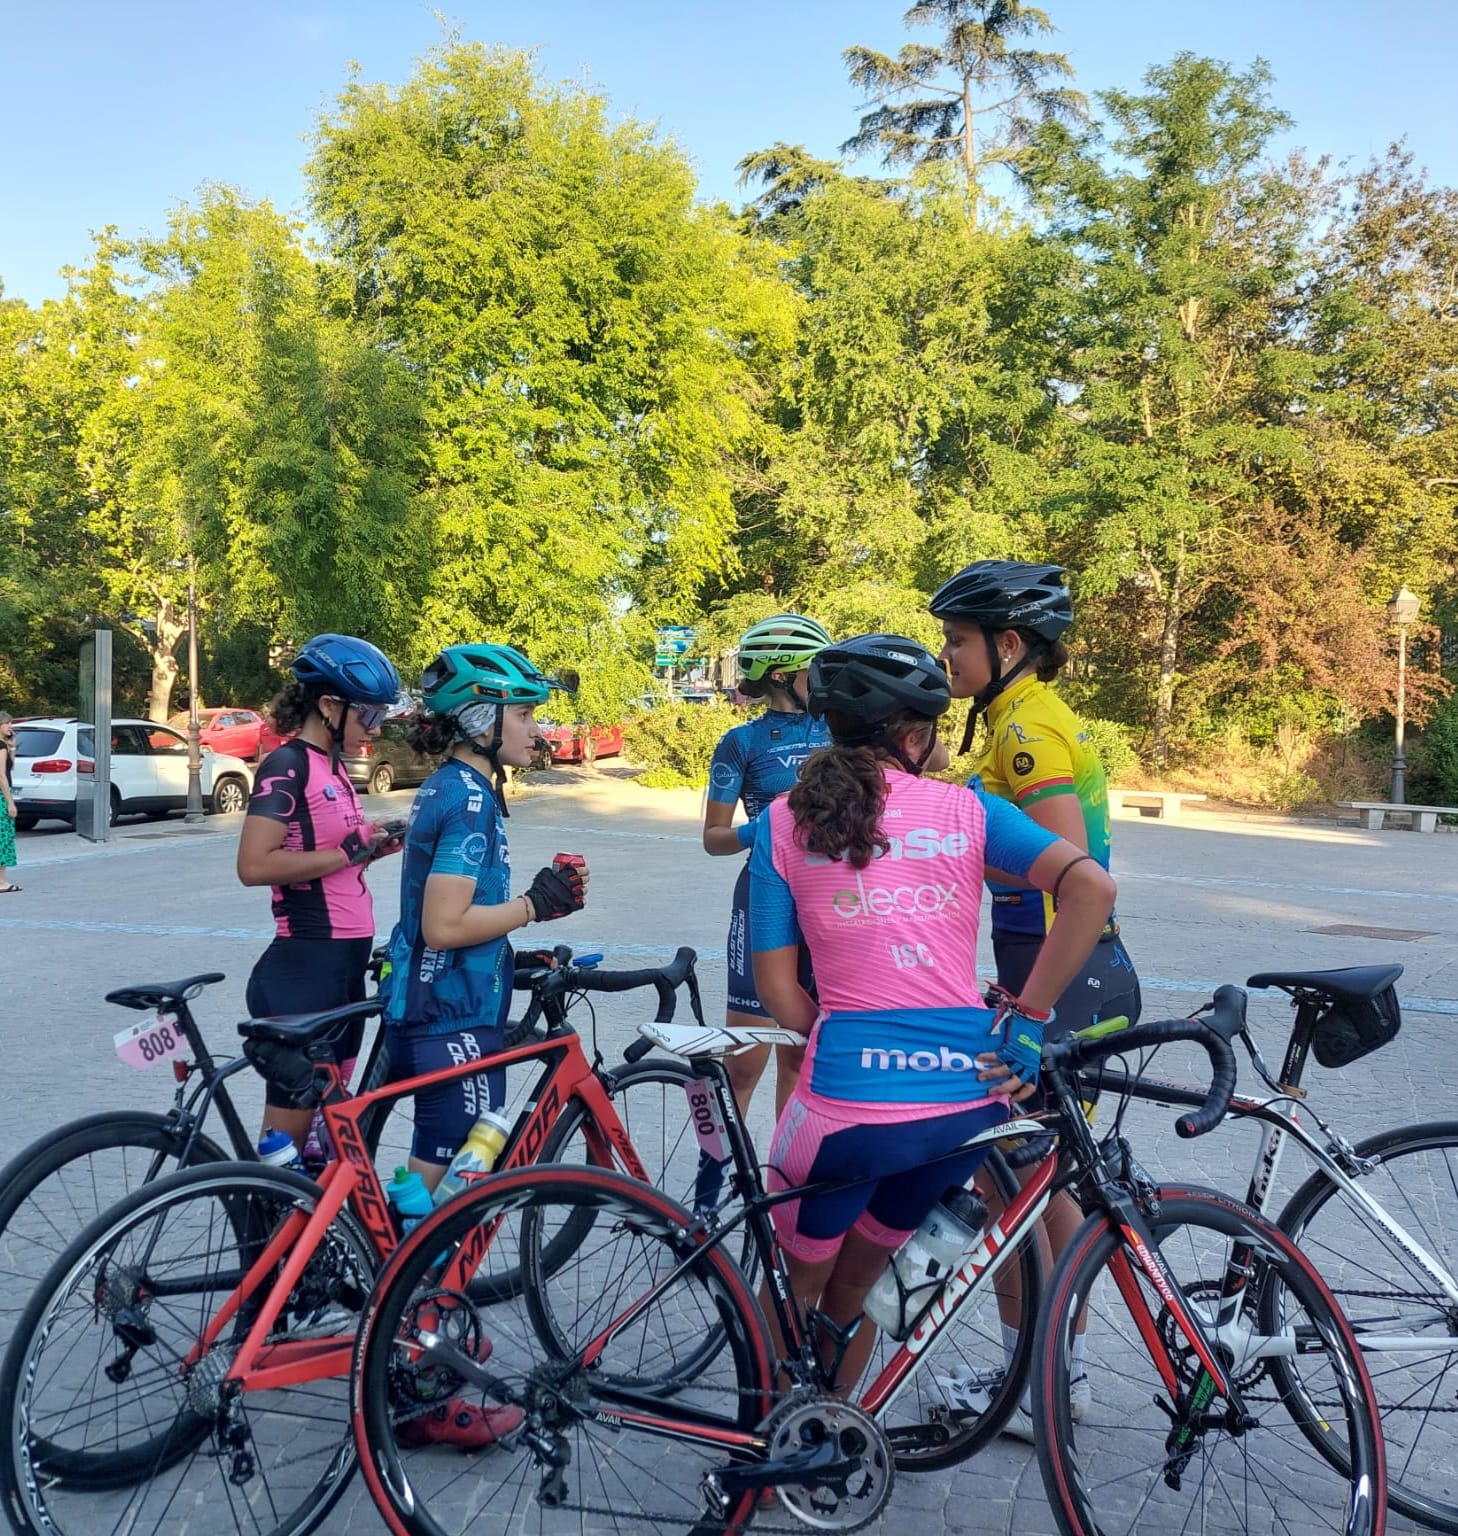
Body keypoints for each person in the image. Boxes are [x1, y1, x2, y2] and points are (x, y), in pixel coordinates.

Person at [748, 634, 1115, 1396]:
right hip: (963, 1101)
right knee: (859, 1291)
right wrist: (1030, 1015)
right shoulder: (969, 809)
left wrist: (849, 1036)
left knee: (792, 1292)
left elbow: (781, 994)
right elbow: (1092, 890)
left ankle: (769, 1437)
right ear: (913, 738)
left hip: (844, 1103)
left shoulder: (781, 823)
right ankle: (835, 1435)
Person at [930, 559, 1141, 1436]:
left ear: (1007, 644)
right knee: (1037, 1178)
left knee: (1023, 1177)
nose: (946, 656)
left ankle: (1041, 1381)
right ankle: (1059, 1372)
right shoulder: (1014, 721)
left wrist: (1031, 1010)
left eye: (957, 640)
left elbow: (1074, 876)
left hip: (1063, 971)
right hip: (1049, 966)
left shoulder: (1026, 735)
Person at [376, 642, 588, 1449]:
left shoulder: (463, 789)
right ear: (479, 718)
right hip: (447, 1018)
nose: (537, 728)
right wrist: (535, 906)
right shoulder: (466, 800)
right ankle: (418, 1381)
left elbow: (458, 924)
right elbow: (443, 924)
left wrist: (519, 942)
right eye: (526, 713)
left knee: (434, 1181)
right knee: (455, 1192)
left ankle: (412, 1323)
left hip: (451, 1004)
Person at [236, 634, 406, 1156]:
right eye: (368, 715)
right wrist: (346, 853)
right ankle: (262, 1234)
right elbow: (253, 865)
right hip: (302, 971)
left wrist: (373, 847)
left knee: (319, 1148)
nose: (373, 729)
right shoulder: (287, 765)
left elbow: (334, 856)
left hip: (340, 970)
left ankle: (311, 1236)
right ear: (329, 705)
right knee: (285, 1150)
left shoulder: (335, 767)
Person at [702, 613, 832, 1123]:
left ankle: (783, 1188)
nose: (820, 679)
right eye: (812, 670)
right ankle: (712, 1187)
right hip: (763, 897)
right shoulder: (742, 741)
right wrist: (761, 829)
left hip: (825, 898)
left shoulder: (839, 728)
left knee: (801, 1056)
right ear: (782, 676)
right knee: (742, 1063)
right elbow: (713, 840)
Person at [0, 712, 17, 893]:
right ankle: (1, 882)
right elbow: (2, 775)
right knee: (3, 837)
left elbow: (10, 766)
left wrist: (12, 747)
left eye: (11, 723)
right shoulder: (0, 747)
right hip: (1, 796)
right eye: (6, 724)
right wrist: (10, 802)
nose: (10, 727)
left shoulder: (5, 746)